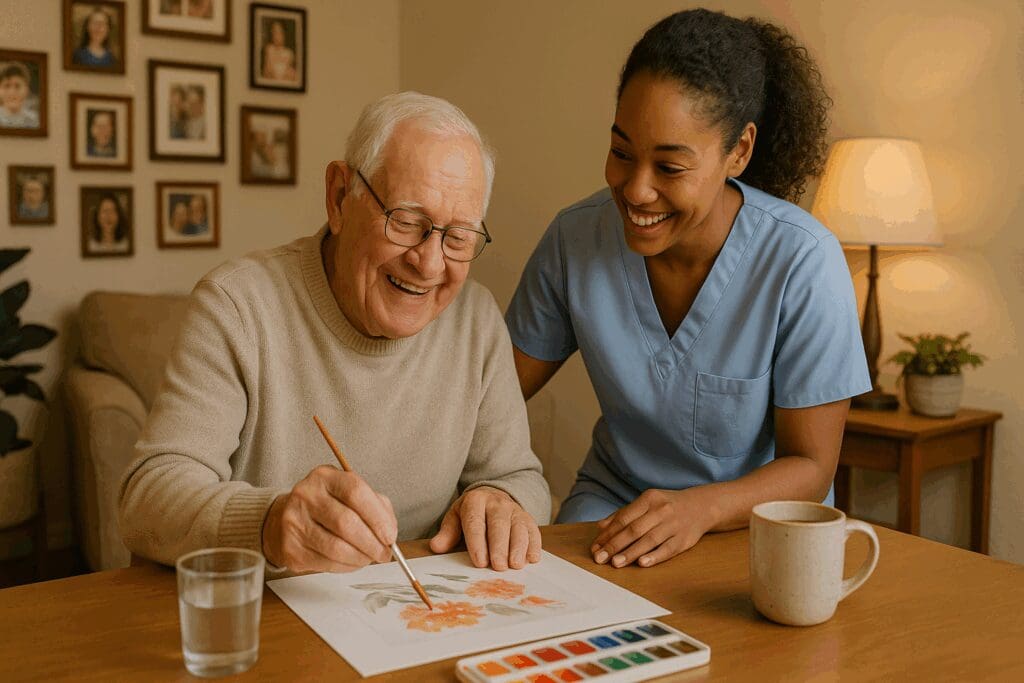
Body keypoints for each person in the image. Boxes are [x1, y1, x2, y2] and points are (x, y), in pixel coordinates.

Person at [119, 91, 550, 574]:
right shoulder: (238, 304)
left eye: (457, 238)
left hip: (407, 625)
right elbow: (147, 499)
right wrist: (268, 524)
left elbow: (520, 478)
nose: (429, 264)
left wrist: (500, 499)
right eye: (406, 222)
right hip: (266, 615)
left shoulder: (476, 319)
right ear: (340, 196)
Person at [506, 9, 870, 569]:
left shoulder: (802, 260)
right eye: (621, 153)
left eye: (670, 167)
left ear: (739, 152)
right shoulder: (575, 239)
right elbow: (494, 395)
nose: (635, 190)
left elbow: (811, 467)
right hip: (612, 514)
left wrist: (698, 510)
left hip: (759, 529)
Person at [0, 62, 38, 129]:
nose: (12, 92)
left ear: (26, 90)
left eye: (17, 86)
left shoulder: (35, 121)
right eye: (6, 86)